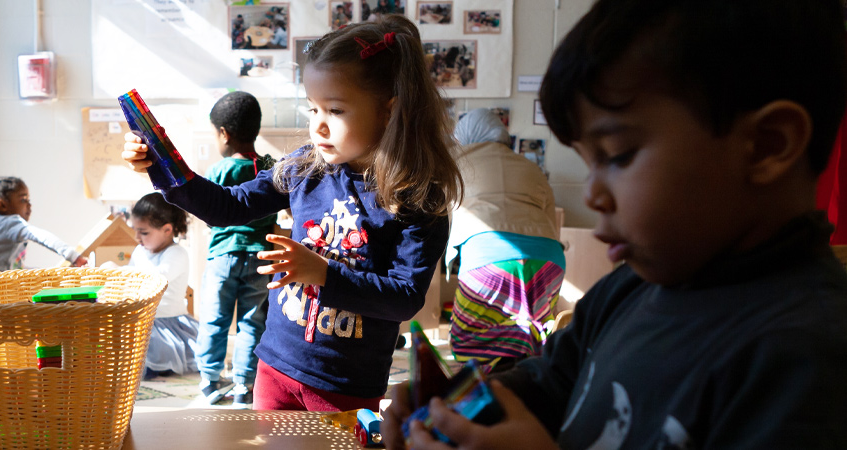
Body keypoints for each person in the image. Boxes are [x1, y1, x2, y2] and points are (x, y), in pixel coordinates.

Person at [382, 0, 847, 448]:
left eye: (619, 155)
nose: (591, 194)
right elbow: (546, 381)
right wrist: (460, 409)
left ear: (767, 145)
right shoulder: (628, 289)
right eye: (589, 163)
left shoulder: (808, 361)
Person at [124, 15, 462, 412]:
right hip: (275, 368)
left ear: (389, 111)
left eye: (334, 110)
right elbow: (224, 207)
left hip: (346, 385)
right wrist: (159, 165)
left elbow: (405, 298)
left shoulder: (419, 197)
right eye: (312, 109)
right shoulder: (306, 167)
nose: (318, 127)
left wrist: (321, 272)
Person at [445, 108, 565, 375]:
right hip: (548, 260)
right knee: (533, 335)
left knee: (469, 339)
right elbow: (551, 221)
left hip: (489, 259)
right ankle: (530, 365)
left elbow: (442, 215)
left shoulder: (455, 162)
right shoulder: (531, 167)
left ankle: (487, 399)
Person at [195, 91, 277, 408]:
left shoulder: (218, 171)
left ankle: (208, 381)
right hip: (259, 256)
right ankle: (244, 385)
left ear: (224, 134)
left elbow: (207, 212)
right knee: (251, 323)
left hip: (222, 257)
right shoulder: (269, 168)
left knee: (214, 321)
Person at [126, 192, 199, 380]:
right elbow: (129, 279)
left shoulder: (177, 253)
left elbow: (156, 280)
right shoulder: (140, 251)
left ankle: (160, 367)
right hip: (141, 321)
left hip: (168, 323)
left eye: (143, 232)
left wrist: (120, 273)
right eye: (135, 230)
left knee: (156, 358)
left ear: (167, 230)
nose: (137, 237)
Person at [0, 177, 86, 271]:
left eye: (29, 200)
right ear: (2, 206)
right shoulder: (10, 223)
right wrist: (73, 256)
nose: (29, 205)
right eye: (23, 200)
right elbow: (40, 236)